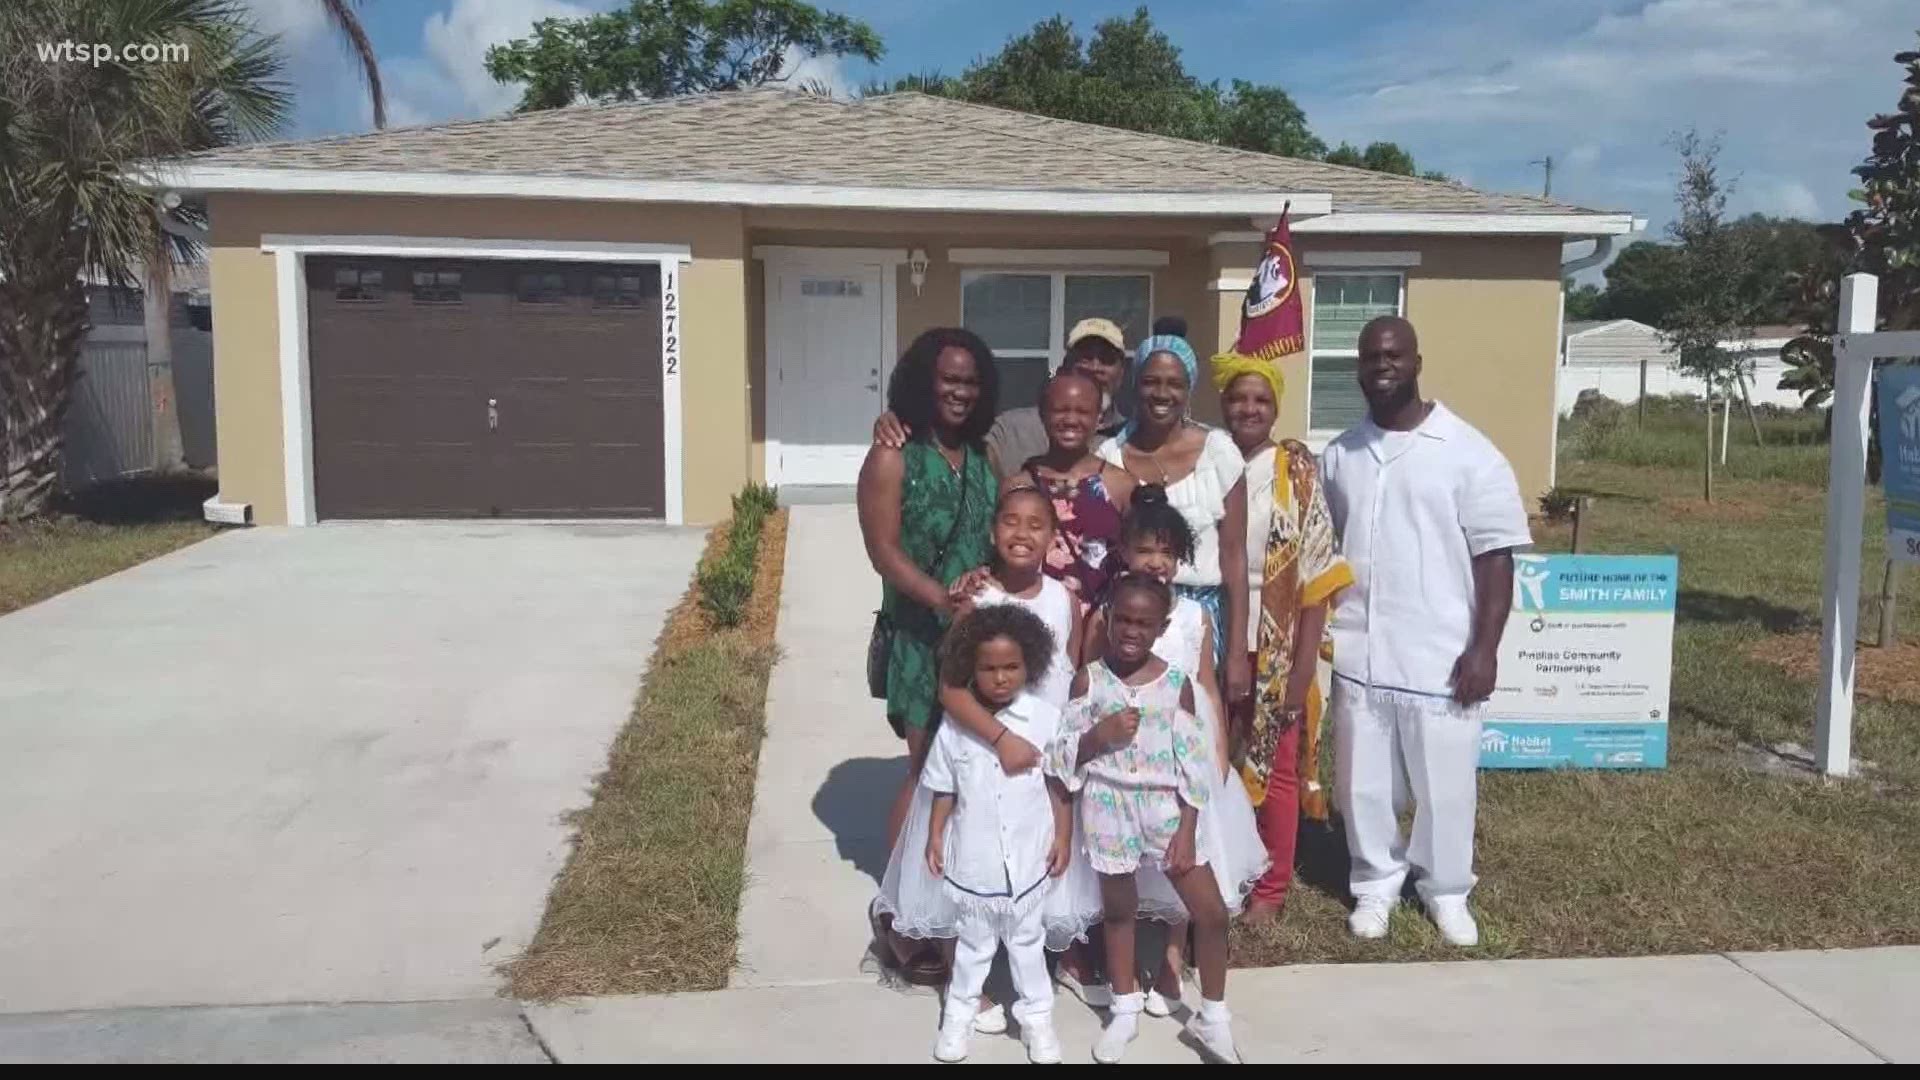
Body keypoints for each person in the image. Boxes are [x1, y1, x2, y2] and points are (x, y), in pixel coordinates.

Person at [1319, 316, 1532, 948]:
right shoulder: (1341, 453)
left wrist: (1484, 648)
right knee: (1362, 785)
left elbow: (1496, 557)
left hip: (1441, 654)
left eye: (1393, 355)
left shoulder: (1468, 451)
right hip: (1360, 650)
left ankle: (1445, 892)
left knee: (1445, 786)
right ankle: (1375, 885)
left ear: (1416, 361)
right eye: (1370, 357)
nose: (1381, 365)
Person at [858, 327, 1020, 979]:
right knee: (925, 769)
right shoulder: (894, 456)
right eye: (948, 378)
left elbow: (1002, 530)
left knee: (962, 772)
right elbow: (882, 549)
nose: (959, 391)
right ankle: (897, 916)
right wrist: (939, 602)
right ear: (926, 381)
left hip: (975, 638)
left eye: (971, 382)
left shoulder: (983, 458)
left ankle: (943, 902)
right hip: (922, 638)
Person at [1083, 486, 1267, 1021]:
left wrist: (1219, 747)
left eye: (1166, 551)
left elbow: (1206, 682)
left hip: (1184, 743)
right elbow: (1091, 679)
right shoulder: (1109, 613)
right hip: (1127, 751)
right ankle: (1122, 965)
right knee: (1126, 861)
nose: (1156, 562)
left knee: (1190, 850)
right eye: (1145, 550)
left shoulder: (1193, 616)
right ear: (1124, 552)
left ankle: (1170, 955)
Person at [1050, 573, 1241, 1064]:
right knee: (1119, 912)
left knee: (1211, 912)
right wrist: (1099, 735)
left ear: (1160, 629)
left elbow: (1194, 761)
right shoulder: (1089, 679)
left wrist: (1187, 826)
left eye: (1144, 623)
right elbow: (1060, 754)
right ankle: (1124, 1010)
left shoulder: (1176, 685)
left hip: (1163, 809)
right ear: (1108, 619)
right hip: (1108, 807)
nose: (1132, 631)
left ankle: (1213, 1017)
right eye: (1124, 620)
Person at [899, 605, 1074, 1063]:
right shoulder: (957, 727)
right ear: (970, 669)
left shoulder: (1043, 718)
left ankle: (1037, 1020)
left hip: (1027, 859)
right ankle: (958, 1017)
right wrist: (936, 835)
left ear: (1029, 664)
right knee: (973, 946)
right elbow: (942, 786)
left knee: (1027, 947)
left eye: (1011, 667)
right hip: (974, 861)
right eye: (989, 668)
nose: (1000, 678)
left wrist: (1063, 836)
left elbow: (1059, 784)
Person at [1213, 354, 1352, 922]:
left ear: (1275, 408)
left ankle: (1270, 888)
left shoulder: (1295, 473)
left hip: (1276, 642)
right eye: (1239, 398)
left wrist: (1300, 670)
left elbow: (1318, 574)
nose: (1249, 408)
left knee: (1279, 767)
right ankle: (1220, 869)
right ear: (1222, 404)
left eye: (1261, 400)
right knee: (1213, 761)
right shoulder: (1209, 459)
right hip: (1214, 634)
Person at [1096, 319, 1251, 714]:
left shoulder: (1219, 452)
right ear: (1135, 384)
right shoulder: (1110, 455)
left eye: (1175, 384)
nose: (1162, 393)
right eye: (1151, 381)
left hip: (1198, 623)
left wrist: (1235, 653)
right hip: (1130, 621)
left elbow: (1234, 555)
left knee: (1191, 727)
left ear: (1189, 389)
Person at [874, 318, 1131, 481]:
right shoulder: (1012, 428)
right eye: (1085, 356)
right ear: (1066, 361)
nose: (1095, 367)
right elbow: (954, 448)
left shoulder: (1133, 436)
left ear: (1122, 370)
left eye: (1107, 359)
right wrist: (904, 418)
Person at [1016, 370, 1135, 605]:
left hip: (1098, 628)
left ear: (1099, 419)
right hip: (1033, 623)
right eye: (1060, 410)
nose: (1071, 420)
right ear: (1042, 414)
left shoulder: (1120, 486)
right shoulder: (1021, 485)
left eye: (1083, 412)